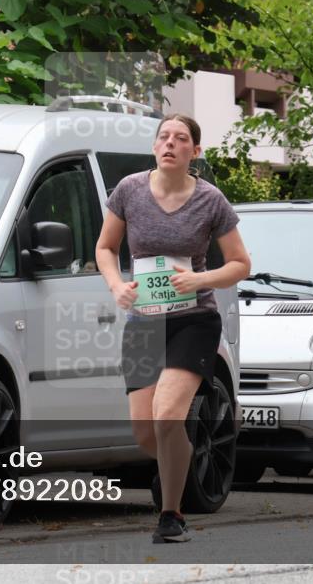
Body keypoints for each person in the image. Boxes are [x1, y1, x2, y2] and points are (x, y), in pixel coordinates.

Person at [95, 113, 251, 544]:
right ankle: (175, 467)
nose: (170, 143)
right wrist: (116, 285)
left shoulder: (211, 200)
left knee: (168, 415)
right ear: (154, 146)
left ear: (194, 152)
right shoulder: (129, 190)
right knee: (146, 430)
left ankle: (171, 513)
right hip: (144, 321)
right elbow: (105, 248)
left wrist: (201, 280)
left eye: (180, 139)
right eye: (163, 137)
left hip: (193, 319)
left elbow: (241, 264)